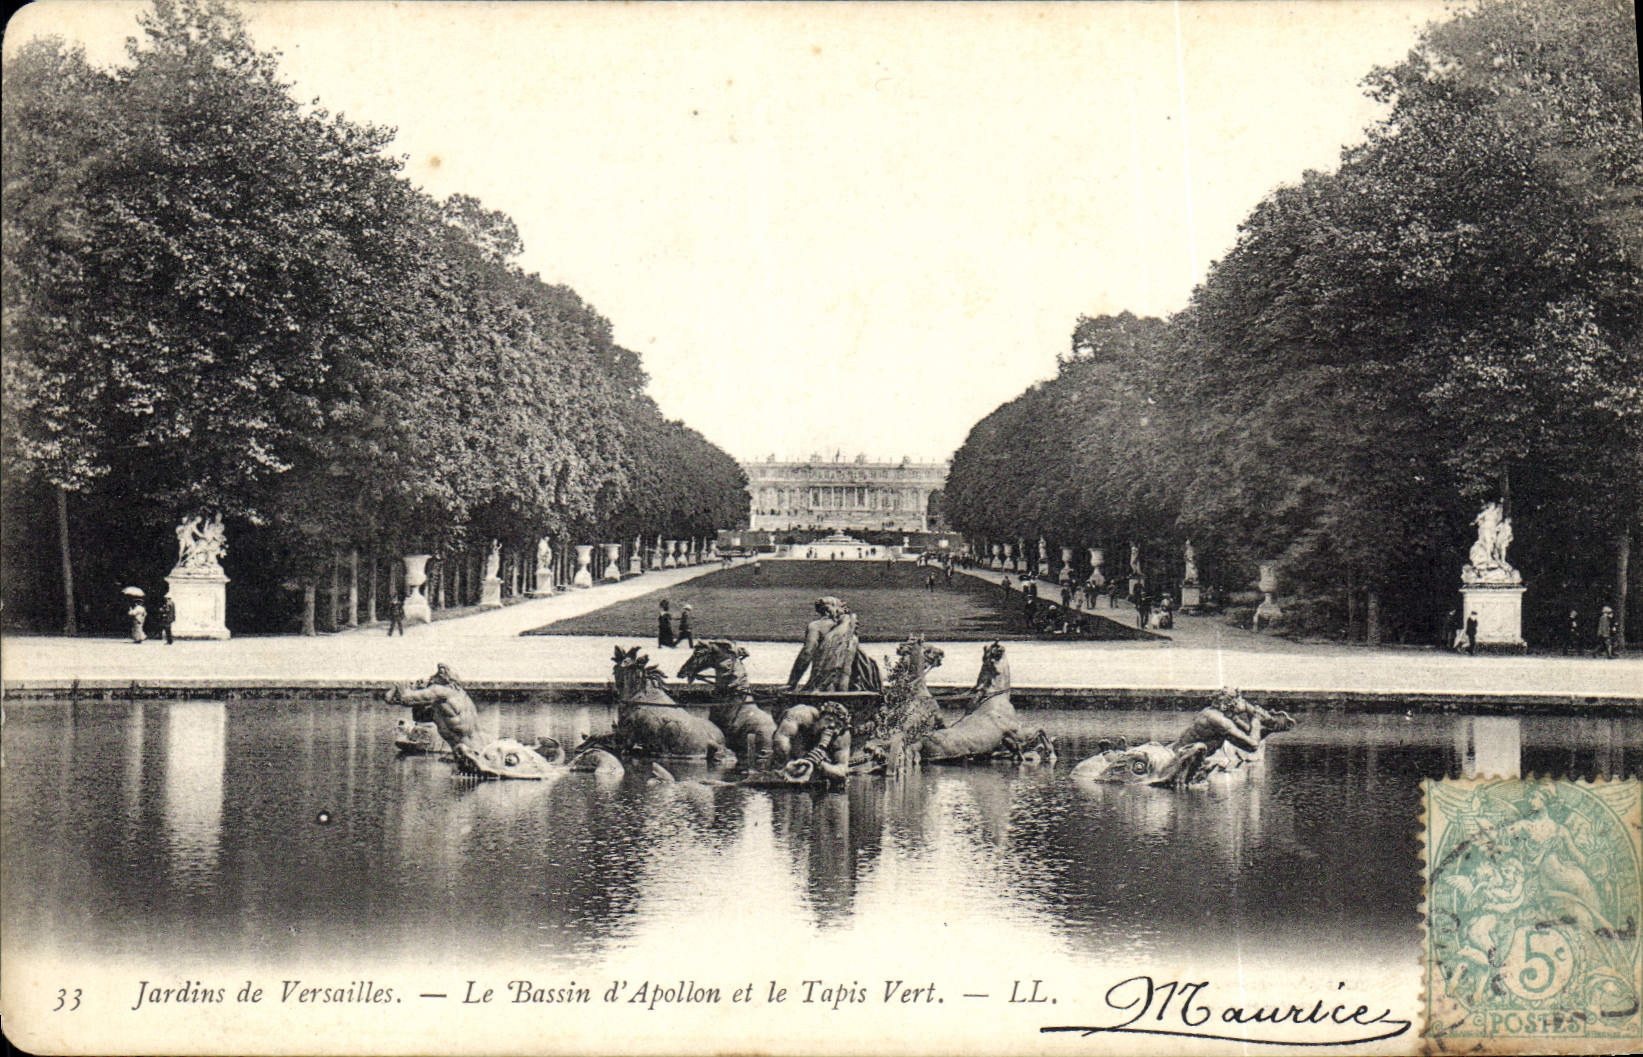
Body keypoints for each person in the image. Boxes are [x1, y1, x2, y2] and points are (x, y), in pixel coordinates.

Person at [386, 663, 484, 764]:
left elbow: (406, 699)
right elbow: (419, 717)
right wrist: (418, 695)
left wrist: (401, 686)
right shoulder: (455, 698)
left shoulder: (439, 691)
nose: (430, 679)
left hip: (470, 755)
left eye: (434, 676)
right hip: (476, 750)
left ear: (441, 677)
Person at [787, 597, 862, 692]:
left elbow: (807, 653)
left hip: (822, 685)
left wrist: (792, 683)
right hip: (846, 686)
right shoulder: (850, 630)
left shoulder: (816, 626)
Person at [772, 700, 852, 784]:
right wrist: (790, 761)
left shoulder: (842, 735)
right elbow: (781, 738)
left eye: (838, 724)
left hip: (818, 766)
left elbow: (843, 770)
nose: (832, 725)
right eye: (828, 720)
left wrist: (821, 765)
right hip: (788, 758)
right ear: (819, 716)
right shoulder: (802, 714)